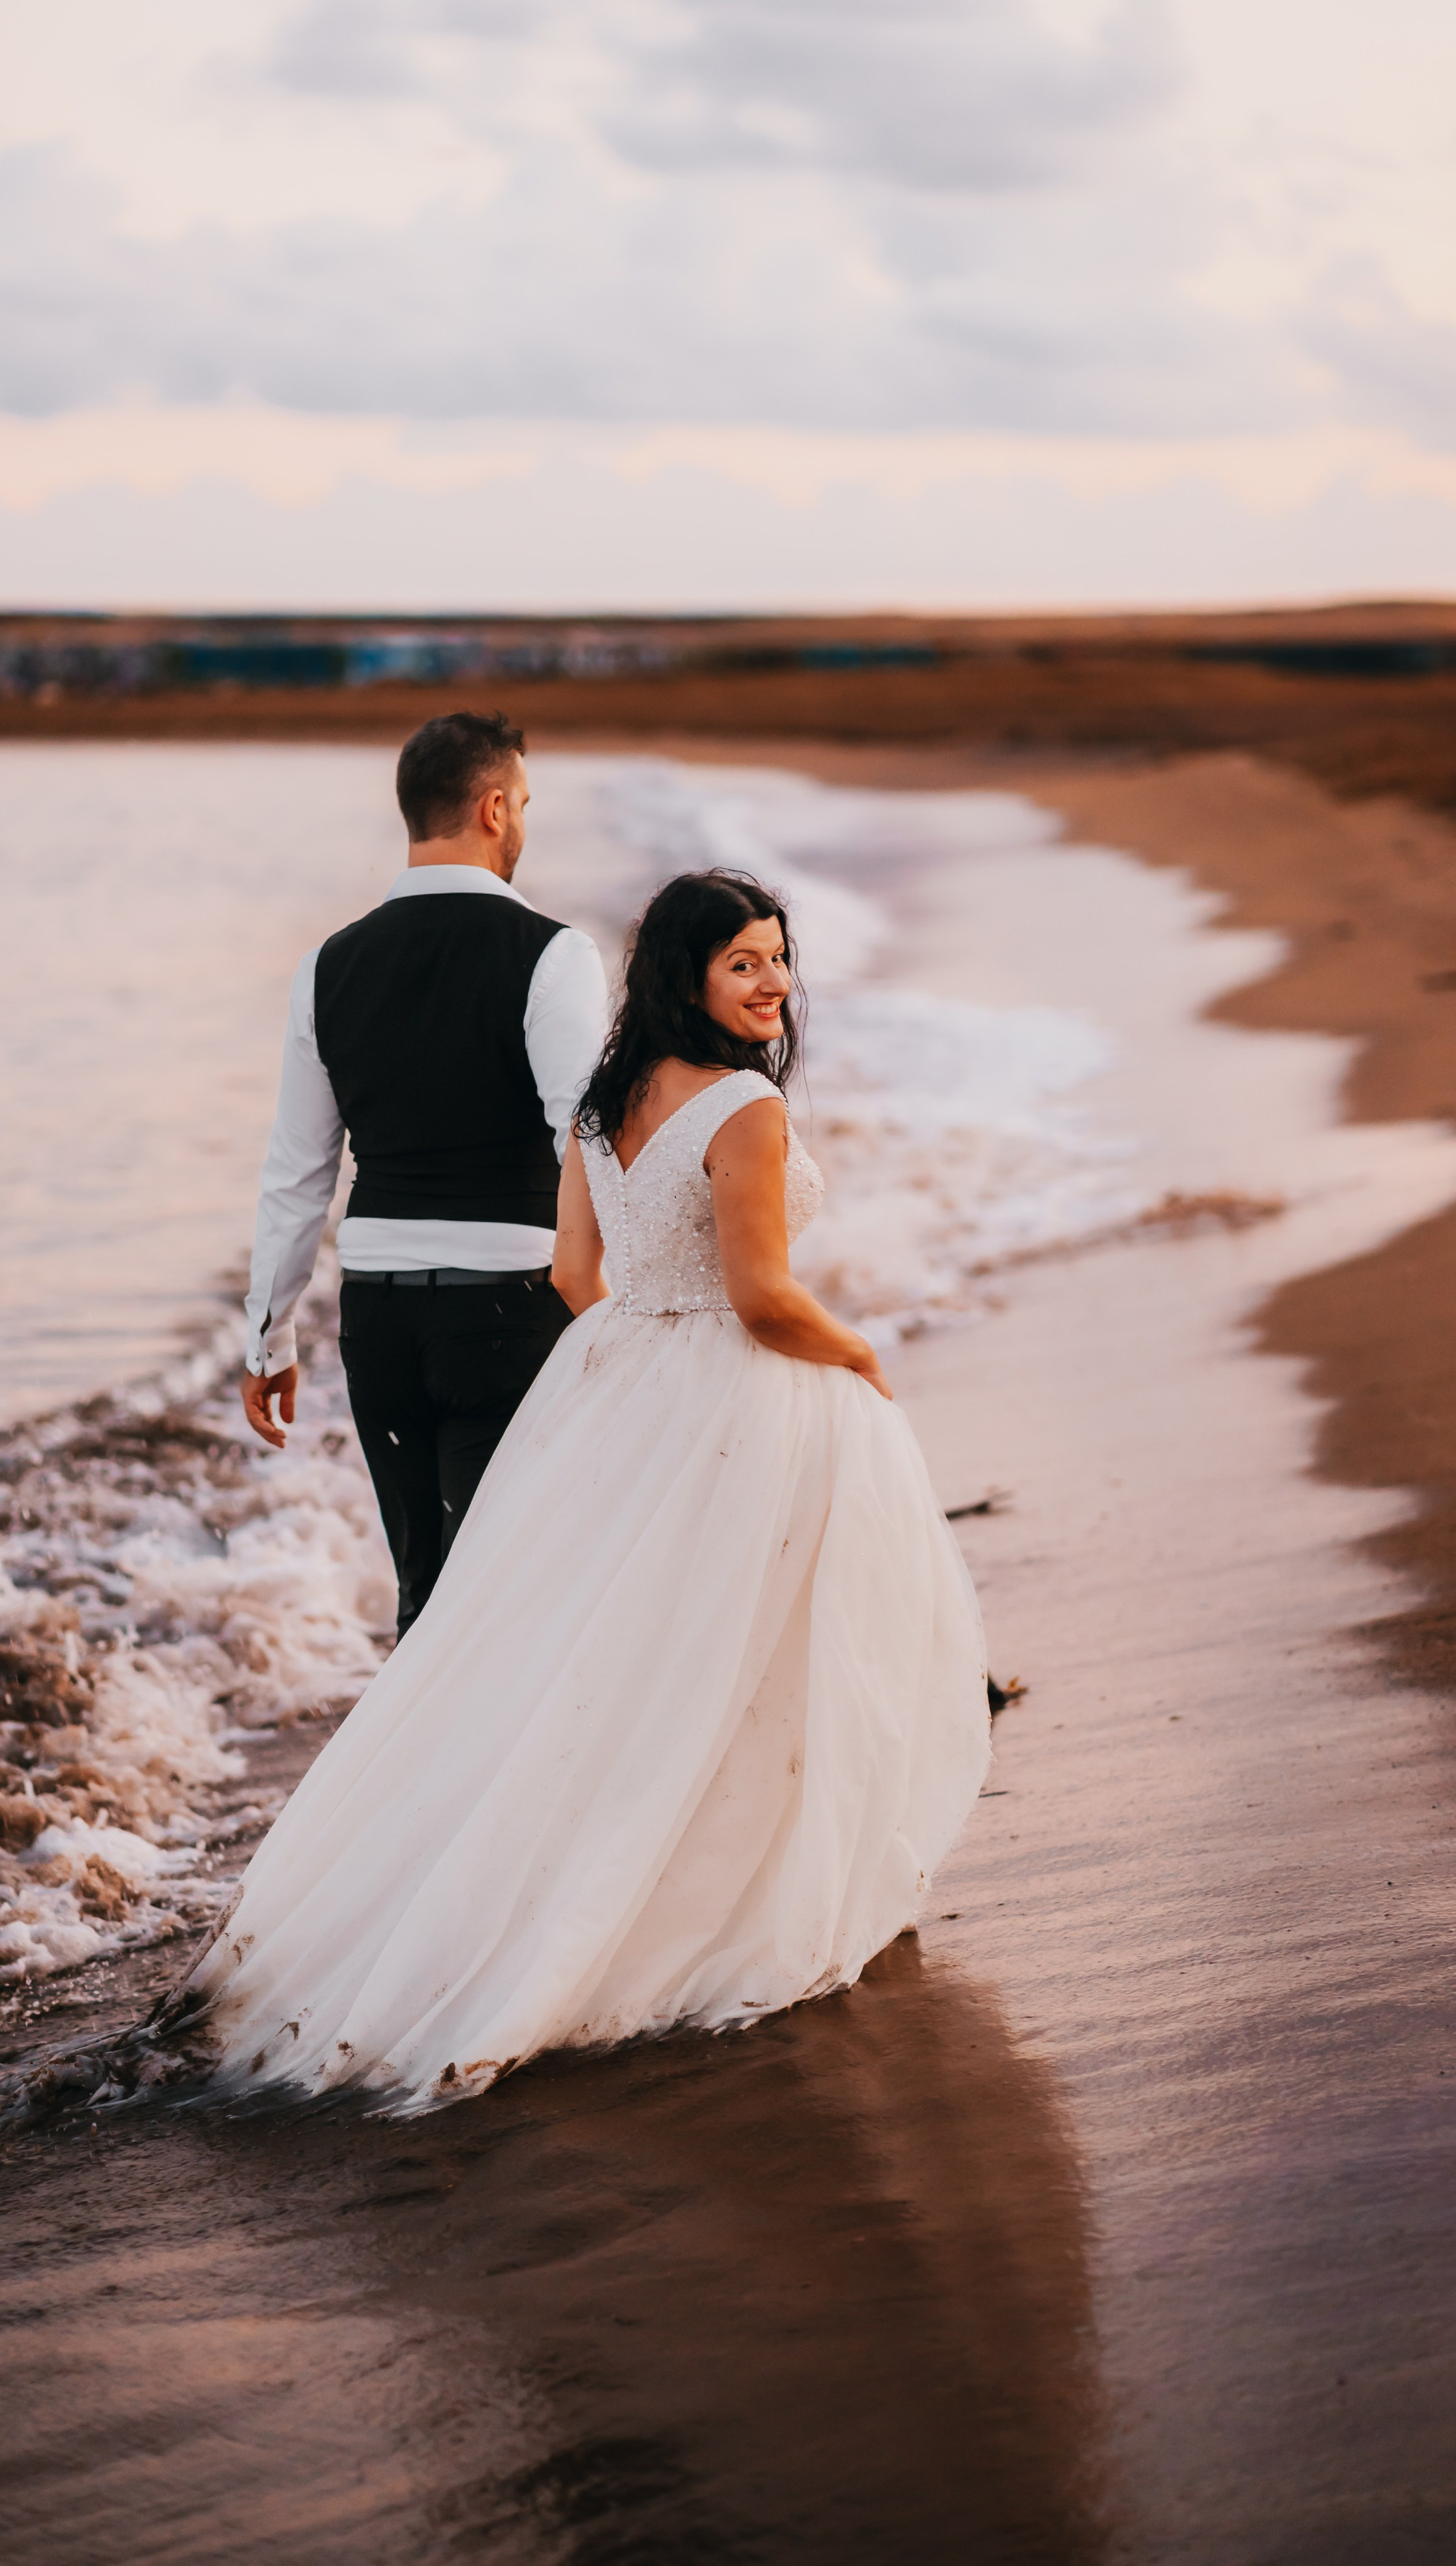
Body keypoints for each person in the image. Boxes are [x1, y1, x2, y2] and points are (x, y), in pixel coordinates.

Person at [181, 867, 992, 2112]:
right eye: (745, 964)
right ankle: (722, 1895)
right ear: (689, 977)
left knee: (602, 1658)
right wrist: (863, 1357)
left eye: (780, 957)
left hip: (615, 1378)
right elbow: (769, 1300)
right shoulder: (743, 1110)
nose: (774, 983)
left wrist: (649, 1362)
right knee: (753, 1653)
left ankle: (507, 1897)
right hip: (737, 1383)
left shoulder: (605, 1099)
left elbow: (573, 1274)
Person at [241, 710, 609, 1636]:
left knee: (426, 1590)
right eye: (521, 803)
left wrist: (270, 1338)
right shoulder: (554, 954)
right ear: (493, 808)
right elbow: (588, 1139)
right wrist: (620, 1304)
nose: (523, 821)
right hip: (513, 1306)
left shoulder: (328, 966)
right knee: (514, 1591)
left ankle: (417, 1779)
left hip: (380, 1317)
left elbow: (297, 1173)